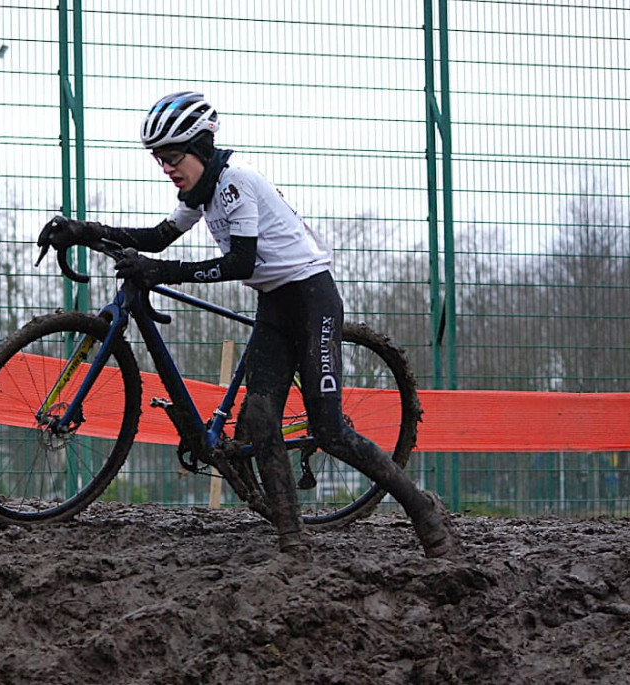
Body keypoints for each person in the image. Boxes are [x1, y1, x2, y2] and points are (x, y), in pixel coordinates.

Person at [37, 91, 459, 560]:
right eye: (160, 160)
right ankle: (292, 540)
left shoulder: (234, 183)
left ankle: (423, 511)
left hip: (311, 298)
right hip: (275, 305)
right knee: (259, 421)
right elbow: (157, 238)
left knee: (331, 429)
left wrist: (161, 272)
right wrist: (87, 230)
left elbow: (240, 262)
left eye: (173, 157)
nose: (167, 169)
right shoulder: (201, 194)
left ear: (199, 147)